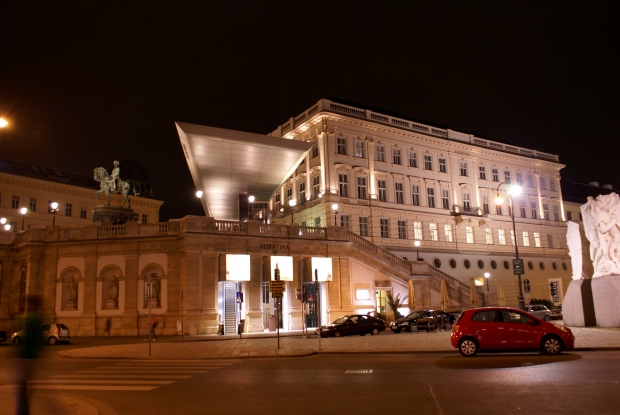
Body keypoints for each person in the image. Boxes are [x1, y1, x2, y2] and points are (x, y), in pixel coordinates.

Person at [15, 295, 43, 415]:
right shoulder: (37, 320)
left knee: (22, 391)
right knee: (24, 391)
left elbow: (28, 342)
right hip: (29, 360)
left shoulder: (32, 320)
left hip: (26, 360)